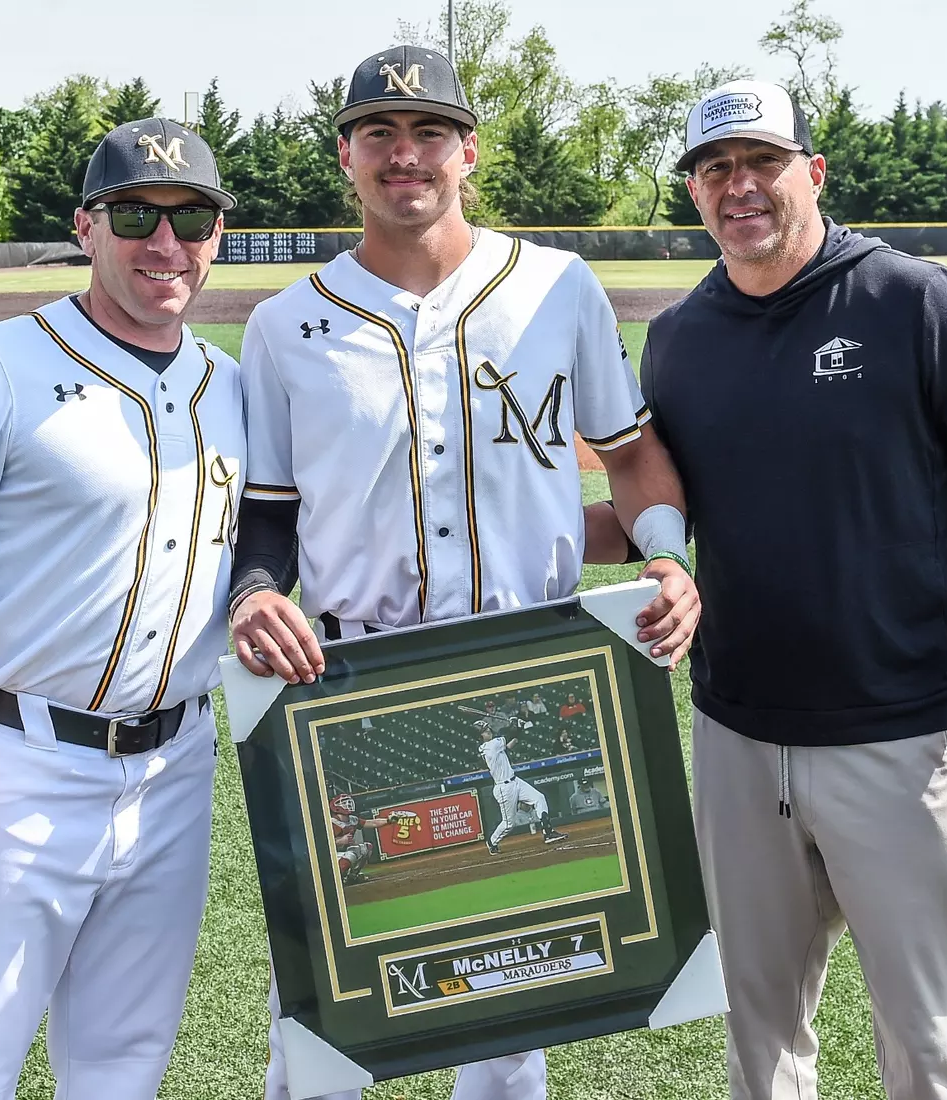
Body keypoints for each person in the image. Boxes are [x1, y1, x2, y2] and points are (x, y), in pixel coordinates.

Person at [228, 44, 701, 1100]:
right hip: (350, 690)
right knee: (322, 1023)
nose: (407, 155)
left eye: (429, 132)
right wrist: (257, 590)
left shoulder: (554, 288)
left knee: (510, 1009)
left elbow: (627, 455)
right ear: (345, 157)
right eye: (379, 136)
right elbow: (266, 514)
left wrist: (665, 554)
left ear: (468, 152)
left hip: (525, 678)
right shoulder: (283, 326)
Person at [633, 80, 947, 1100]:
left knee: (937, 1053)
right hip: (739, 743)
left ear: (813, 173)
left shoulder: (913, 301)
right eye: (714, 169)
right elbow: (663, 512)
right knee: (761, 1047)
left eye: (762, 163)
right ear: (695, 192)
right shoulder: (679, 339)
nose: (739, 186)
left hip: (906, 745)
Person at [0, 117, 243, 1100]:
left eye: (191, 217)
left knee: (123, 1069)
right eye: (135, 215)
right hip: (8, 772)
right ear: (85, 225)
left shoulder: (237, 388)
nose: (165, 243)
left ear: (219, 234)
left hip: (175, 774)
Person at [478, 723, 566, 853]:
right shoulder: (490, 746)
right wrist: (517, 726)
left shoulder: (493, 746)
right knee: (509, 824)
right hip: (503, 787)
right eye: (484, 731)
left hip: (515, 780)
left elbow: (507, 747)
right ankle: (492, 841)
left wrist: (518, 731)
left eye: (487, 729)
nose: (488, 731)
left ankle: (548, 832)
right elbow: (509, 735)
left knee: (539, 798)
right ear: (480, 736)